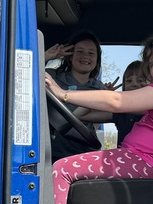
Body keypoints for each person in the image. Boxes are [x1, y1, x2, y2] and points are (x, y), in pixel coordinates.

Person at [45, 31, 153, 204]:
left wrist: (62, 93)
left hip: (149, 163)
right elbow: (97, 111)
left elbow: (118, 101)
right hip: (147, 161)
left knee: (61, 169)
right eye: (152, 64)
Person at [44, 31, 112, 160]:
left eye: (91, 53)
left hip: (84, 152)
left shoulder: (99, 87)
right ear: (70, 56)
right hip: (52, 151)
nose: (85, 56)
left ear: (97, 59)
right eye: (80, 51)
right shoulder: (53, 76)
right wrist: (46, 56)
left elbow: (96, 124)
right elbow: (25, 73)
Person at [114, 59, 147, 144]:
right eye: (129, 81)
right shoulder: (120, 112)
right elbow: (81, 114)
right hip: (122, 156)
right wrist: (104, 94)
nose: (134, 84)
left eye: (140, 80)